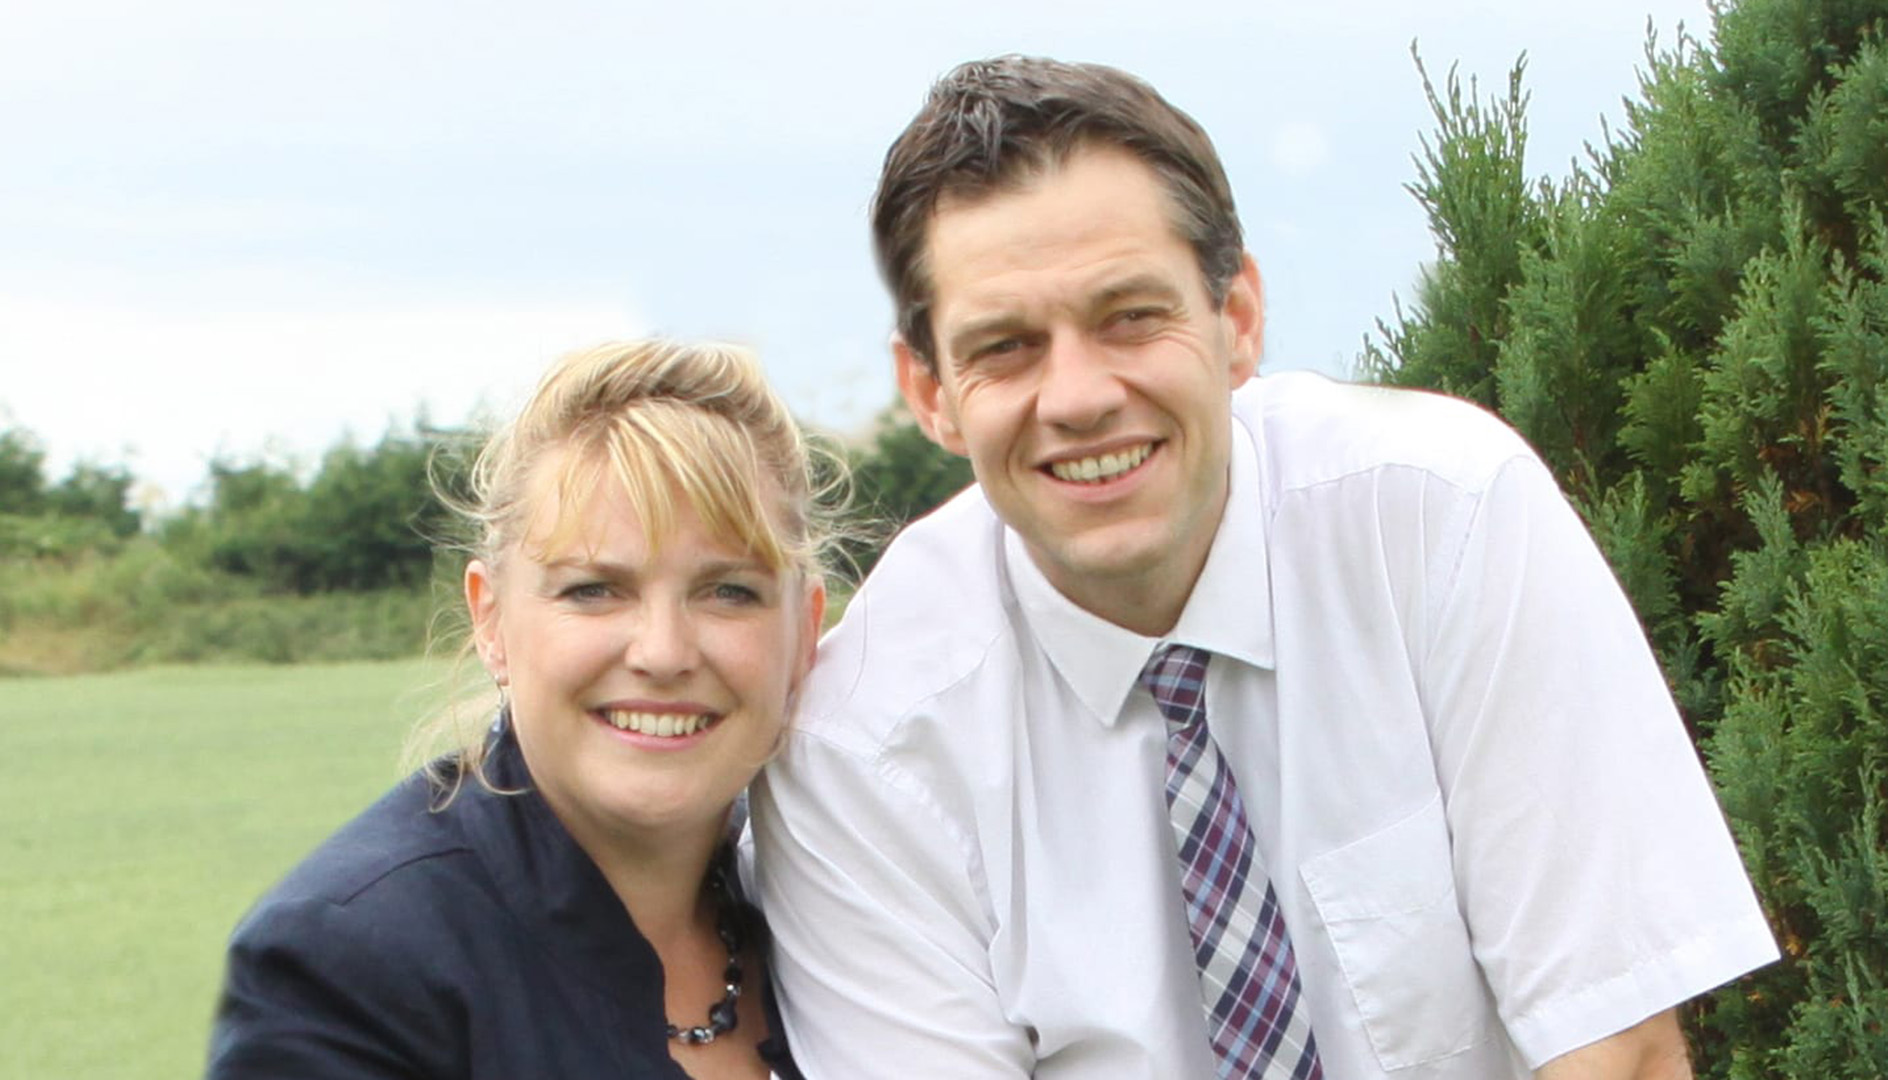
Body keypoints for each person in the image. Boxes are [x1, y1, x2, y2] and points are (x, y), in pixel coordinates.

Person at [751, 56, 1778, 1079]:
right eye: (1007, 346)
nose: (1078, 397)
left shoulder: (1443, 516)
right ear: (930, 392)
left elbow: (1618, 1051)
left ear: (1237, 318)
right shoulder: (863, 750)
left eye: (1129, 316)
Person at [207, 340, 828, 1079]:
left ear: (805, 632)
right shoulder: (351, 967)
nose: (663, 652)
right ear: (491, 620)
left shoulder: (848, 897)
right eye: (593, 590)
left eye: (729, 592)